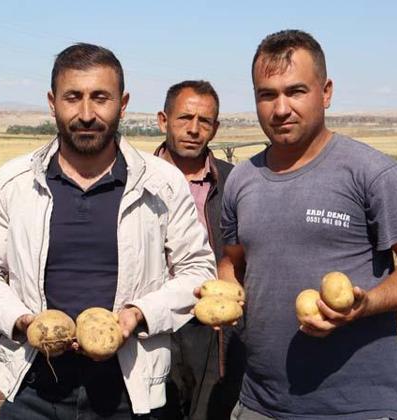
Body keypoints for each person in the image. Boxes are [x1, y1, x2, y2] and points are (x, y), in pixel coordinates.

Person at [0, 43, 216, 419]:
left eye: (100, 98)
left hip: (130, 391)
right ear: (53, 103)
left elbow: (198, 272)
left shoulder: (162, 183)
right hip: (33, 388)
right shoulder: (13, 182)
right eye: (73, 97)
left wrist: (139, 314)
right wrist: (22, 321)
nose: (86, 114)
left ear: (122, 103)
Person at [219, 29, 397, 419]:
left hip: (356, 407)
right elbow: (232, 261)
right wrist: (226, 294)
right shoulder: (241, 179)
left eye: (296, 91)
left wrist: (366, 303)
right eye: (267, 95)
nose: (280, 108)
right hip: (260, 402)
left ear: (325, 92)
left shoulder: (371, 172)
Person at [155, 80, 243, 419]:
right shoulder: (136, 179)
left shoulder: (234, 182)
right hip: (153, 325)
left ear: (215, 128)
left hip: (212, 330)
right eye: (184, 118)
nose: (194, 129)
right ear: (163, 120)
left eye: (204, 121)